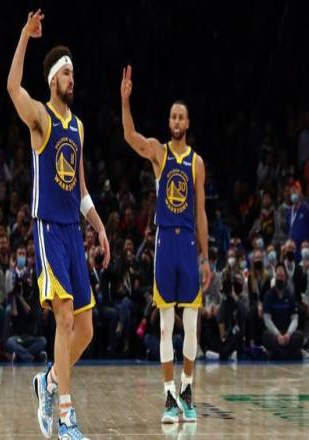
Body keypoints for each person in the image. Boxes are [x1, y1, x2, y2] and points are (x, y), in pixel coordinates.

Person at [7, 9, 110, 439]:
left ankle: (48, 381)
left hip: (73, 230)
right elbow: (12, 87)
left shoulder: (78, 127)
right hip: (48, 228)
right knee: (64, 318)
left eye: (72, 73)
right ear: (53, 79)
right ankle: (66, 418)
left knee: (85, 328)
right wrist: (24, 36)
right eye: (66, 73)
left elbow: (81, 189)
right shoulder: (40, 117)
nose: (72, 79)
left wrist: (99, 226)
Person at [121, 65, 211, 423]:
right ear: (169, 121)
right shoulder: (159, 153)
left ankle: (187, 389)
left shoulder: (197, 163)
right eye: (172, 116)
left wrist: (206, 258)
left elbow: (201, 213)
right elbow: (130, 136)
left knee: (190, 323)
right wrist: (125, 101)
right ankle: (169, 397)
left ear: (187, 123)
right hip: (165, 244)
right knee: (164, 325)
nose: (176, 120)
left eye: (181, 117)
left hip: (188, 245)